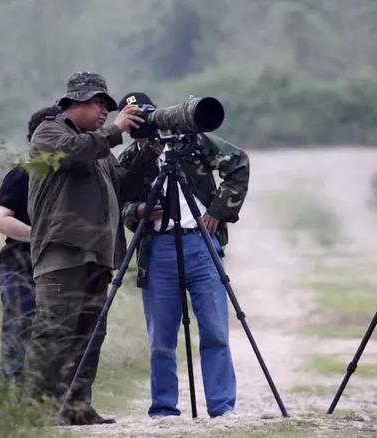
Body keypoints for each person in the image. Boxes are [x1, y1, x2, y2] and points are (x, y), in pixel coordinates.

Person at [22, 72, 158, 425]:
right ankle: (38, 411)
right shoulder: (51, 133)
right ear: (75, 103)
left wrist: (147, 154)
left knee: (90, 334)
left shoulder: (98, 148)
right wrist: (115, 131)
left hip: (99, 252)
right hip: (62, 250)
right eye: (99, 104)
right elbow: (73, 155)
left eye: (106, 107)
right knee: (54, 331)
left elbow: (124, 187)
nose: (104, 112)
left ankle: (77, 407)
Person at [117, 92, 251, 419]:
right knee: (161, 338)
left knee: (215, 330)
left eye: (144, 116)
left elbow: (238, 162)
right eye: (132, 119)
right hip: (158, 247)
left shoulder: (191, 143)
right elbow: (114, 199)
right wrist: (138, 211)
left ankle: (222, 408)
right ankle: (163, 409)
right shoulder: (131, 158)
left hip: (201, 242)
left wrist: (219, 211)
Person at [0, 105, 62, 380]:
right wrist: (40, 236)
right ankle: (14, 395)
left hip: (55, 266)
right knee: (19, 329)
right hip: (20, 264)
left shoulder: (68, 176)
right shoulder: (23, 173)